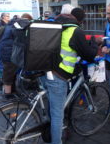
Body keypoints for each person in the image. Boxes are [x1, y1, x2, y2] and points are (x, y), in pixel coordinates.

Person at [43, 7, 98, 144]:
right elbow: (89, 55)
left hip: (45, 71)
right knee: (57, 115)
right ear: (80, 20)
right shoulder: (75, 30)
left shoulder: (55, 25)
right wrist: (95, 44)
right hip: (57, 76)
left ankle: (49, 130)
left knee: (52, 104)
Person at [0, 13, 32, 98]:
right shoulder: (17, 26)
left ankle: (12, 90)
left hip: (5, 50)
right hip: (8, 52)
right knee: (9, 73)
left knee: (12, 72)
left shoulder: (12, 24)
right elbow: (21, 39)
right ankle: (7, 94)